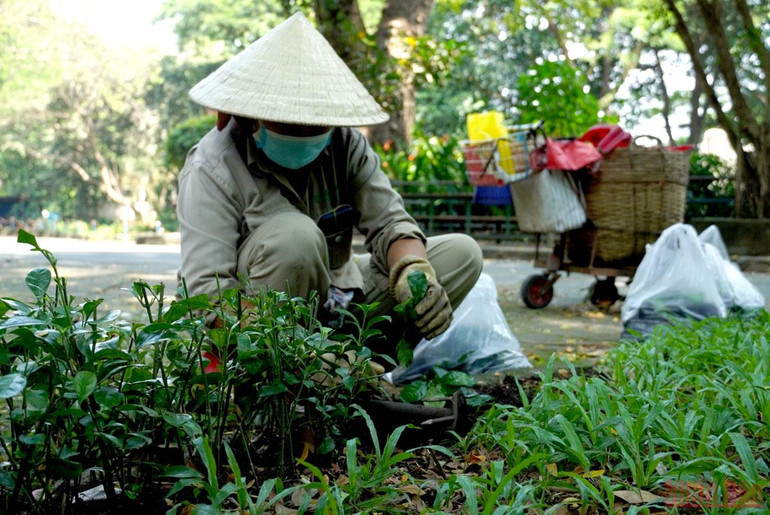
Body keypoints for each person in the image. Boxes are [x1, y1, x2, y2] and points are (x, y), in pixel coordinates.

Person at [177, 12, 482, 346]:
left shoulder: (346, 143)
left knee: (461, 255)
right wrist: (304, 353)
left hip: (336, 302)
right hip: (258, 331)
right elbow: (207, 295)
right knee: (295, 236)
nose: (307, 132)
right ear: (251, 118)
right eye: (290, 123)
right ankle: (288, 375)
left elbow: (390, 222)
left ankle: (361, 369)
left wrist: (412, 271)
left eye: (317, 121)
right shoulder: (212, 165)